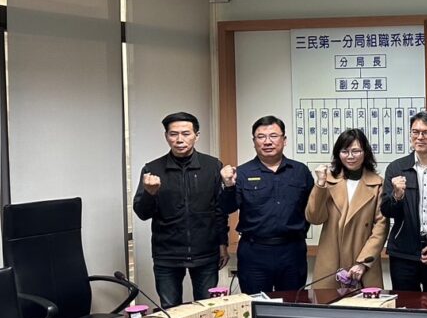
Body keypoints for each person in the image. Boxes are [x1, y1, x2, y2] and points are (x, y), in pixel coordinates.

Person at [132, 111, 228, 307]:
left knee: (207, 310)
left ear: (196, 136)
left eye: (186, 133)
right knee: (171, 311)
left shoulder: (212, 166)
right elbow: (142, 213)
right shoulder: (153, 169)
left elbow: (220, 210)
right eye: (173, 134)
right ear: (166, 136)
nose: (179, 139)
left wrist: (222, 243)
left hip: (205, 253)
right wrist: (150, 194)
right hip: (167, 255)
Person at [219, 115, 314, 294]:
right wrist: (229, 185)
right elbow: (227, 208)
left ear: (284, 140)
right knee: (255, 303)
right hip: (254, 251)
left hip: (292, 251)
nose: (267, 142)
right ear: (254, 142)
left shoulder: (300, 171)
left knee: (292, 303)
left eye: (273, 136)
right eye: (261, 137)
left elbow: (312, 209)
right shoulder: (243, 172)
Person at [379, 110, 427, 293]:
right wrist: (397, 196)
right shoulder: (397, 168)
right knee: (405, 305)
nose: (419, 137)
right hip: (403, 253)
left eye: (426, 132)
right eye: (415, 132)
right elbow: (386, 210)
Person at [306, 128, 388, 295]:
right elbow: (314, 217)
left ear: (365, 152)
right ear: (338, 154)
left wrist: (363, 263)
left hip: (363, 261)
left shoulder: (377, 183)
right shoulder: (328, 181)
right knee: (327, 306)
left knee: (365, 308)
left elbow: (381, 227)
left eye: (356, 151)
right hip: (331, 259)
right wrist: (320, 184)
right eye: (345, 151)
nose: (350, 156)